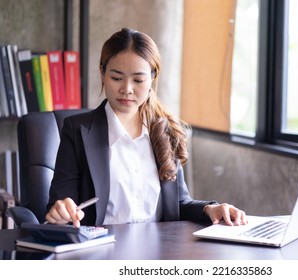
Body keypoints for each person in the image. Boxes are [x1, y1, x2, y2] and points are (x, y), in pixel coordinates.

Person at [45, 28, 247, 228]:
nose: (127, 89)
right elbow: (60, 205)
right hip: (102, 251)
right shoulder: (78, 130)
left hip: (159, 251)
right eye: (116, 78)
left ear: (152, 78)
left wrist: (210, 209)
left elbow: (178, 205)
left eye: (138, 80)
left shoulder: (165, 131)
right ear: (103, 73)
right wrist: (61, 211)